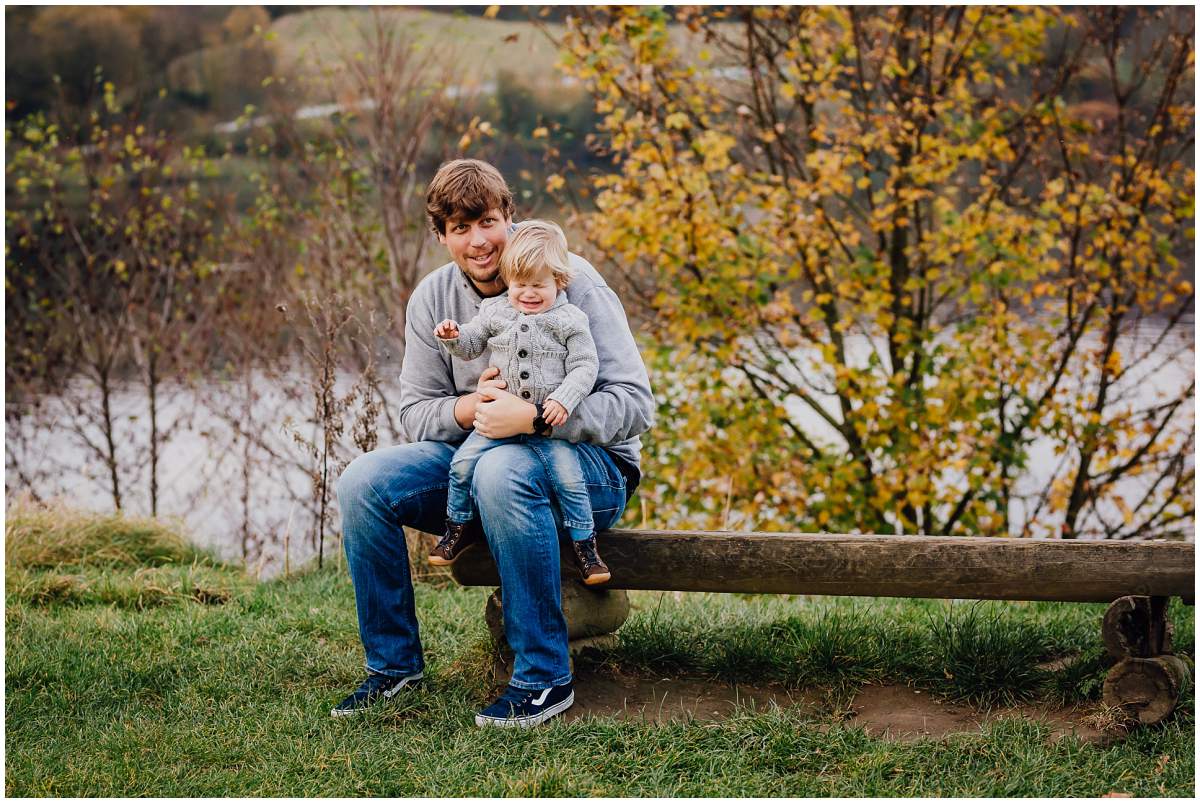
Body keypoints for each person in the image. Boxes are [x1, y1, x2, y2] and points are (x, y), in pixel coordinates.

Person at [332, 159, 655, 727]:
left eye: (487, 221)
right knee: (364, 482)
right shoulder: (433, 300)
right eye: (460, 228)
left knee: (503, 471)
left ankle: (543, 679)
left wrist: (534, 419)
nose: (478, 242)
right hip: (474, 459)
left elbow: (634, 403)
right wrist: (471, 408)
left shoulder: (570, 280)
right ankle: (393, 667)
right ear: (441, 237)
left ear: (509, 216)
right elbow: (415, 412)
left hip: (588, 471)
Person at [430, 219, 612, 586]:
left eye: (538, 285)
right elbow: (472, 343)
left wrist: (562, 400)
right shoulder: (496, 312)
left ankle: (585, 547)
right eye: (519, 285)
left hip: (549, 429)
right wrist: (452, 337)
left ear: (558, 282)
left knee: (569, 480)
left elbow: (584, 366)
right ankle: (458, 526)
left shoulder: (570, 320)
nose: (527, 294)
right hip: (499, 424)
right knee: (463, 465)